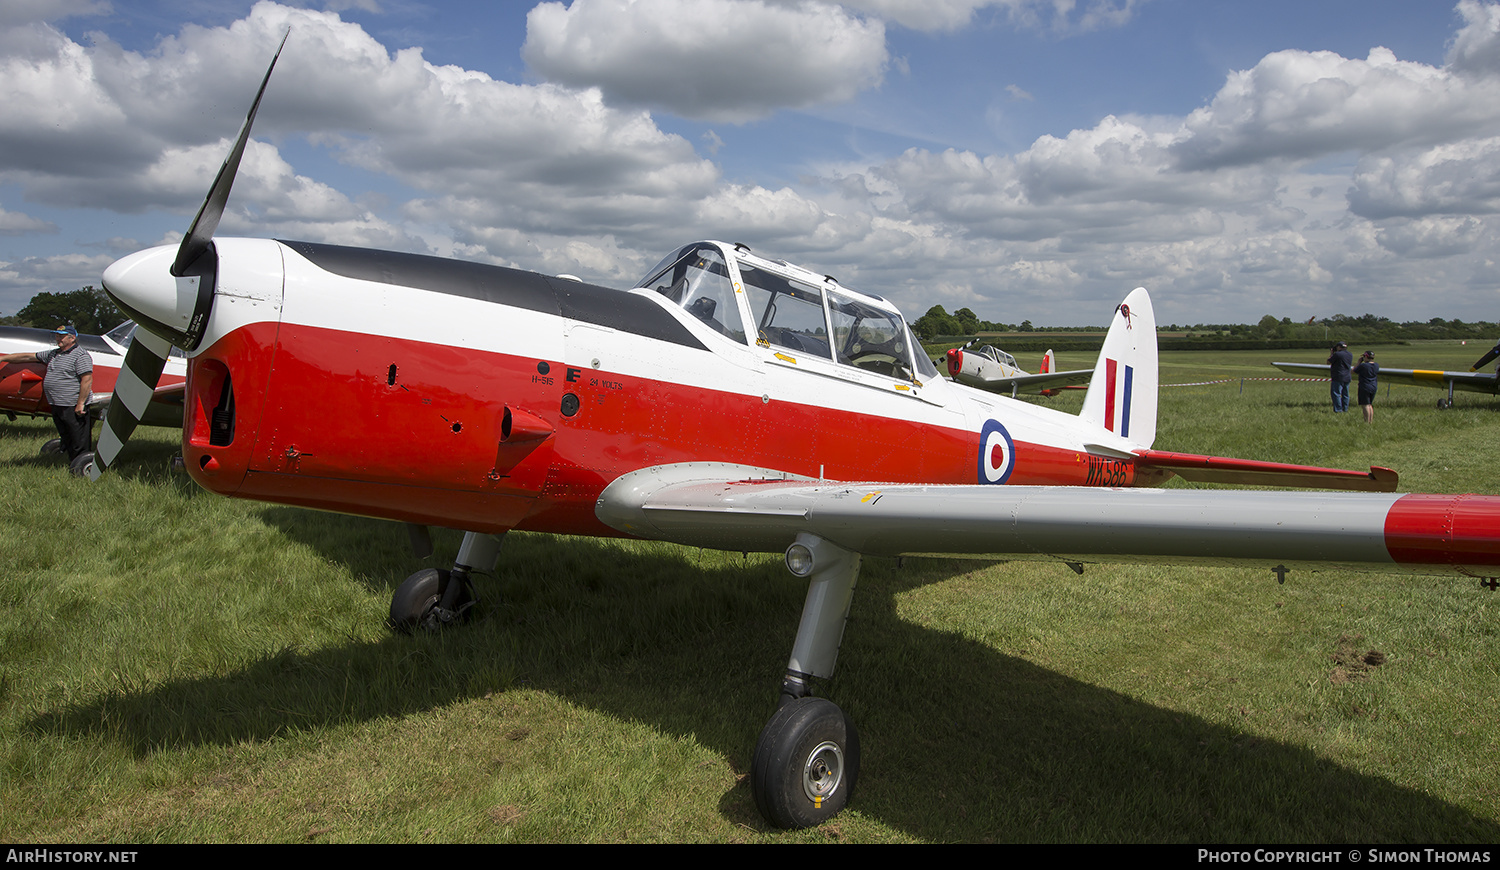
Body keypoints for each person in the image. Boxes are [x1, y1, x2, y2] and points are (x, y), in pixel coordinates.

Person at [0, 325, 94, 467]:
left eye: (61, 336)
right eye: (57, 336)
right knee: (66, 435)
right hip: (57, 403)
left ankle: (83, 465)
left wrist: (80, 403)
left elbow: (87, 379)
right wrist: (4, 358)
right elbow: (28, 356)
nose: (58, 339)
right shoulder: (54, 354)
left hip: (72, 404)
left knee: (78, 438)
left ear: (72, 338)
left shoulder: (81, 355)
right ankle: (71, 462)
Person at [1353, 350, 1379, 424]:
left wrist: (1358, 362)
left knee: (1365, 405)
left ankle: (1367, 421)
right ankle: (1370, 421)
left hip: (1365, 386)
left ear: (1366, 357)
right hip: (1373, 386)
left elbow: (1353, 371)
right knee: (1370, 404)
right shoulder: (1376, 365)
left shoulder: (1363, 365)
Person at [1327, 340, 1352, 413]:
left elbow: (1328, 362)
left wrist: (1332, 353)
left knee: (1336, 393)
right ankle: (1345, 408)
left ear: (1338, 347)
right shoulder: (1350, 354)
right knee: (1345, 394)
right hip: (1347, 376)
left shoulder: (1337, 354)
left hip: (1338, 376)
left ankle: (1338, 409)